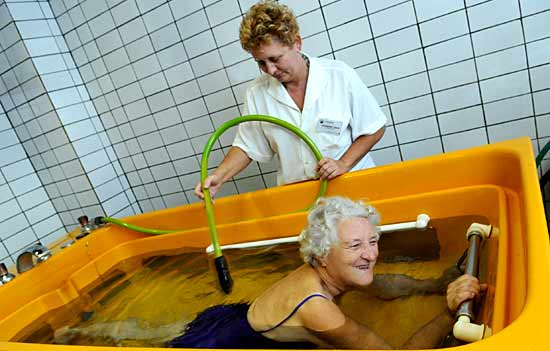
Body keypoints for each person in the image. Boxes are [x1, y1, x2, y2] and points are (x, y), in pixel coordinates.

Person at [54, 197, 485, 348]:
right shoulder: (320, 310)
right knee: (161, 339)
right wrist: (447, 312)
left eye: (372, 241)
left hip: (240, 314)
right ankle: (80, 336)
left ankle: (89, 332)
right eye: (355, 245)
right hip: (225, 342)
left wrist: (434, 284)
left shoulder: (330, 272)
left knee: (156, 329)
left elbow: (381, 283)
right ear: (321, 255)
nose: (371, 254)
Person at [195, 0, 386, 199]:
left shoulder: (339, 76)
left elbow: (374, 128)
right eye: (261, 62)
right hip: (299, 196)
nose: (270, 70)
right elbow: (247, 146)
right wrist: (220, 176)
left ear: (297, 43)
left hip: (350, 186)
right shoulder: (257, 93)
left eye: (275, 59)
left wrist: (343, 163)